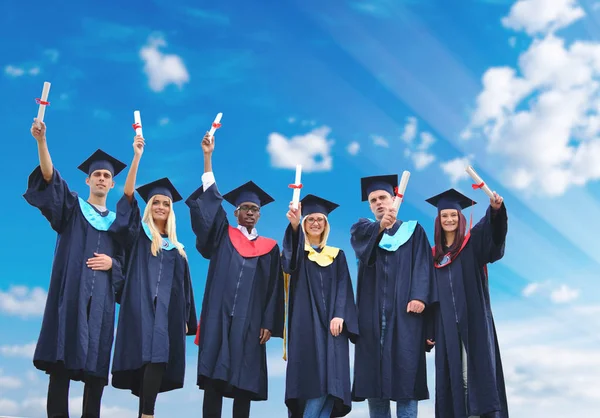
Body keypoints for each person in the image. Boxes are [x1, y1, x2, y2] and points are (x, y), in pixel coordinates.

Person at [23, 119, 127, 418]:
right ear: (88, 180)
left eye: (106, 175)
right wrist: (42, 142)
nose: (102, 178)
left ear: (112, 183)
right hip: (71, 297)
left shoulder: (119, 225)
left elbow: (129, 266)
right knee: (61, 362)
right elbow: (49, 177)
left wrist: (112, 264)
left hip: (102, 303)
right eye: (97, 174)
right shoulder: (72, 208)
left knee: (96, 369)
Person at [185, 132, 285, 418]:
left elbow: (274, 290)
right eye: (245, 208)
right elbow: (208, 208)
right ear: (236, 211)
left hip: (251, 321)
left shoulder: (269, 248)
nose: (251, 213)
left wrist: (269, 322)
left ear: (260, 215)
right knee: (214, 379)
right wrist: (208, 158)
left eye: (255, 209)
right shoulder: (222, 235)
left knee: (244, 379)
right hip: (219, 314)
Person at [110, 135, 197, 418]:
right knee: (144, 357)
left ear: (171, 211)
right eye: (156, 202)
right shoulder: (138, 233)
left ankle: (147, 413)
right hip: (140, 304)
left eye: (166, 204)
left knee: (159, 357)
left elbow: (185, 289)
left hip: (168, 311)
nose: (161, 206)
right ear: (149, 206)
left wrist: (185, 316)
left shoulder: (177, 249)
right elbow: (127, 198)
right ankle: (145, 413)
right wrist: (136, 157)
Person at [350, 174, 434, 418]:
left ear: (394, 199)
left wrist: (419, 296)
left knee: (406, 377)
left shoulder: (414, 231)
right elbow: (364, 251)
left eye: (383, 197)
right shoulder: (362, 229)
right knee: (374, 381)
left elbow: (423, 266)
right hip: (371, 316)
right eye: (373, 200)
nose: (378, 203)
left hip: (405, 315)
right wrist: (380, 227)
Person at [424, 188, 508, 418]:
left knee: (475, 374)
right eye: (444, 216)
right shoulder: (433, 256)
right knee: (456, 377)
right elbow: (429, 297)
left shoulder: (472, 245)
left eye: (453, 215)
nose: (449, 219)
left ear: (460, 218)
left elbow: (492, 231)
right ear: (438, 221)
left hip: (475, 320)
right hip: (446, 325)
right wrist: (430, 329)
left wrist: (496, 209)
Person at [283, 195, 359, 418]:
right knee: (314, 381)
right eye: (310, 219)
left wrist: (339, 314)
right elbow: (289, 263)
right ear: (304, 223)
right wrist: (294, 225)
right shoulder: (299, 255)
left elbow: (345, 286)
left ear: (326, 224)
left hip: (334, 329)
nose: (316, 223)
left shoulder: (337, 255)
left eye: (321, 220)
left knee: (332, 385)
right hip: (306, 326)